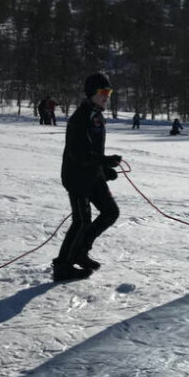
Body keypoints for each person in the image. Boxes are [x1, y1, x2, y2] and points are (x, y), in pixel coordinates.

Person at [54, 72, 122, 281]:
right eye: (103, 92)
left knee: (110, 212)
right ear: (91, 93)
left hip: (92, 175)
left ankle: (80, 251)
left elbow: (93, 151)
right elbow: (79, 154)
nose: (106, 96)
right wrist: (104, 161)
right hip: (76, 177)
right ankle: (62, 266)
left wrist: (103, 170)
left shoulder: (97, 115)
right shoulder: (80, 118)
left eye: (109, 91)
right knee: (82, 221)